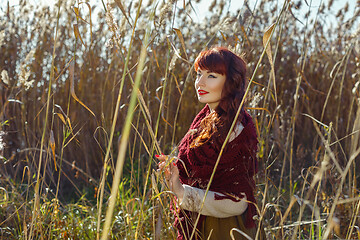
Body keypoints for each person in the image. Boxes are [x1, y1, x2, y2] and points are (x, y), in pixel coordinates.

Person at [157, 46, 263, 240]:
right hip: (203, 222)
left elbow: (238, 200)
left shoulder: (236, 129)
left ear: (231, 82)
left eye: (212, 76)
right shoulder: (206, 119)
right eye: (199, 74)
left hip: (226, 228)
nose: (200, 82)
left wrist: (182, 192)